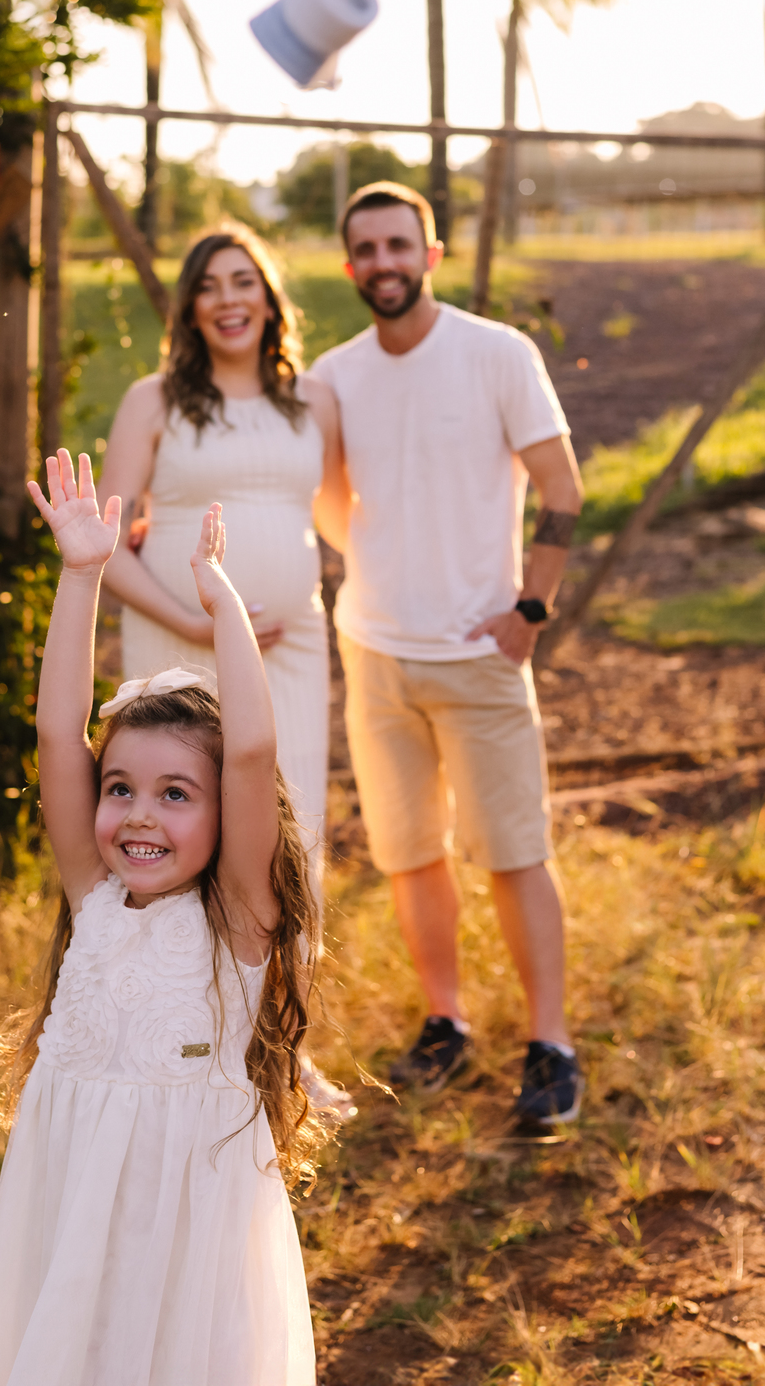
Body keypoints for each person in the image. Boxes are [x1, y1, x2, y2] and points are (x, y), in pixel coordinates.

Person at [0, 450, 319, 1386]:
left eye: (174, 793)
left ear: (227, 813)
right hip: (68, 1202)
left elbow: (253, 751)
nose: (140, 815)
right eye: (121, 789)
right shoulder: (95, 897)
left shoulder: (238, 921)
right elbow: (54, 735)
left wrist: (216, 596)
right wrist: (84, 575)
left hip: (187, 1232)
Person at [311, 183, 585, 1131]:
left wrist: (530, 610)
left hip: (480, 656)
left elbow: (563, 487)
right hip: (376, 652)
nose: (382, 263)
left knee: (514, 854)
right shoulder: (333, 375)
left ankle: (550, 1045)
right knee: (409, 854)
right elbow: (319, 496)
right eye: (366, 251)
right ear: (350, 268)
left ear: (431, 254)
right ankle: (446, 1020)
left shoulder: (498, 354)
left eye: (399, 245)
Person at [97, 224, 339, 872]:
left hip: (290, 645)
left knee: (292, 820)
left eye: (242, 282)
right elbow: (106, 545)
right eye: (208, 287)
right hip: (174, 647)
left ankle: (280, 974)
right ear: (190, 310)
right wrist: (194, 623)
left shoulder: (314, 400)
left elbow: (335, 515)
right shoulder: (153, 401)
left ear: (269, 297)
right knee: (177, 820)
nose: (227, 300)